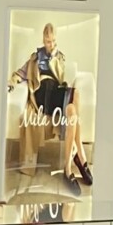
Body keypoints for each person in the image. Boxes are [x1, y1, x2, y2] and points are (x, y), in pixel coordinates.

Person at [15, 23, 91, 185]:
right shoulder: (35, 58)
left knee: (72, 107)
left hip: (55, 94)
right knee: (71, 100)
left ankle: (68, 167)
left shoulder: (59, 56)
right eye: (48, 41)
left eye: (54, 41)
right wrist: (10, 83)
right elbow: (20, 73)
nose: (51, 44)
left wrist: (53, 56)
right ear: (43, 40)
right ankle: (80, 157)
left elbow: (61, 75)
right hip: (42, 94)